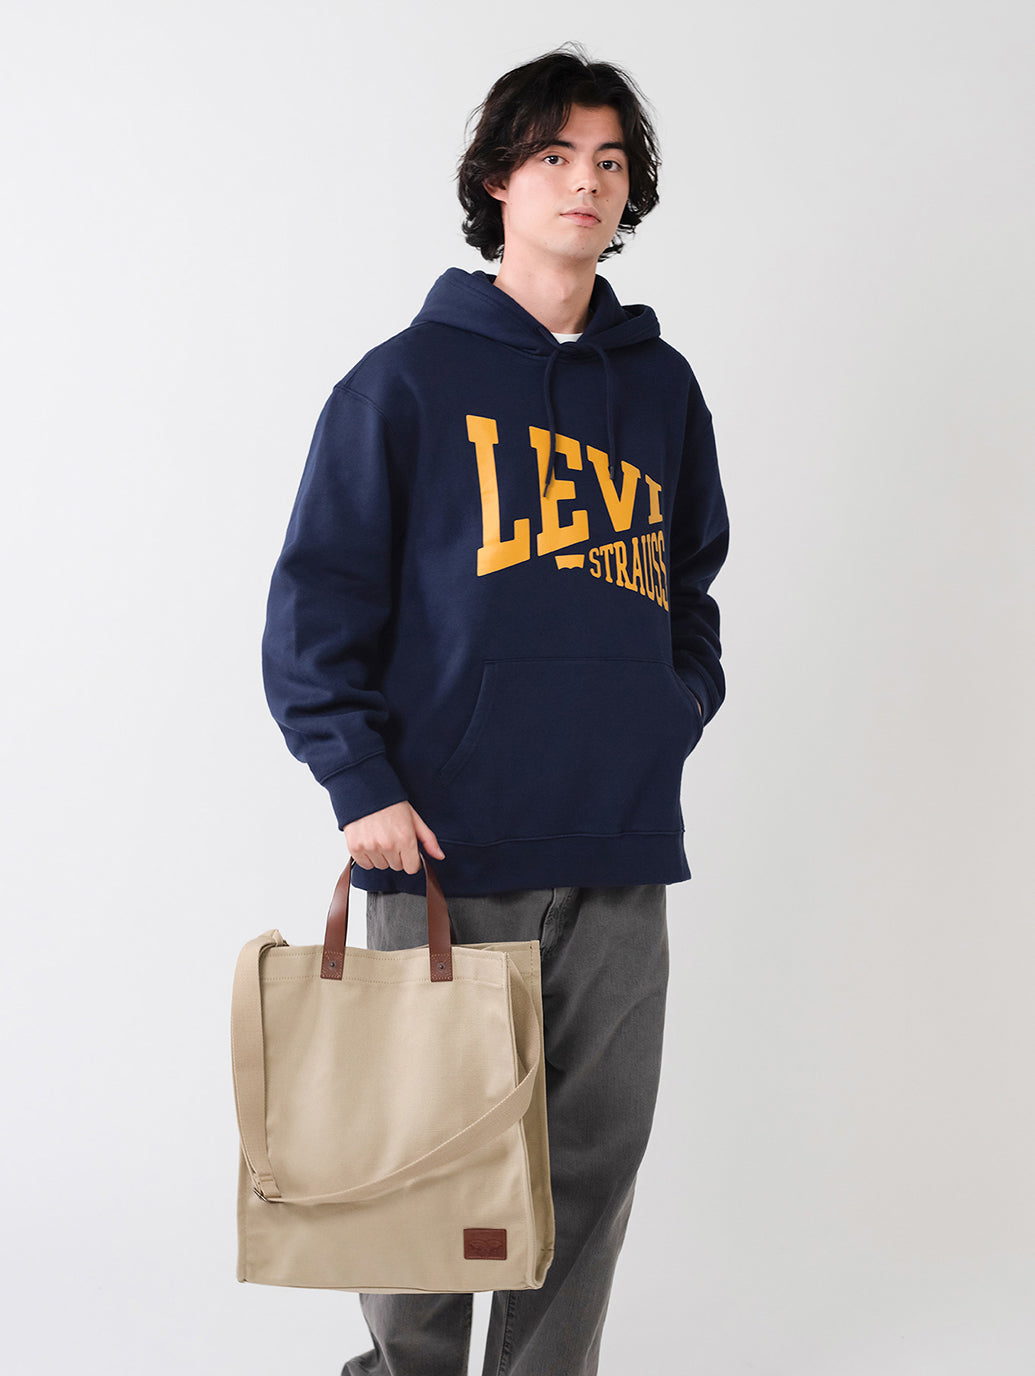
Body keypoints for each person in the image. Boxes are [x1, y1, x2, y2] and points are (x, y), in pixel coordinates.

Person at [261, 43, 729, 1376]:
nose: (586, 182)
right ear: (496, 184)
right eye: (554, 156)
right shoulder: (404, 383)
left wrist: (666, 709)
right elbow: (315, 606)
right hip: (442, 849)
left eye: (610, 162)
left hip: (619, 847)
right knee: (427, 1178)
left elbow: (689, 586)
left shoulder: (661, 388)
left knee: (588, 1175)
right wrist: (359, 782)